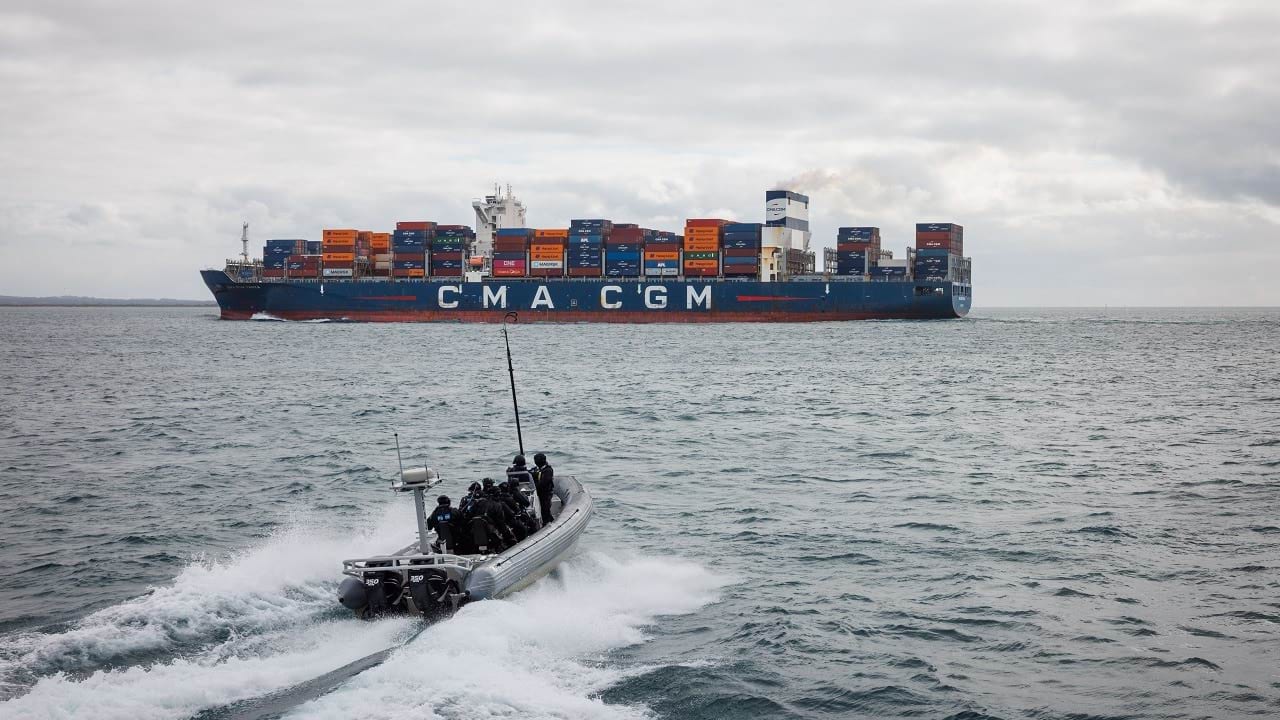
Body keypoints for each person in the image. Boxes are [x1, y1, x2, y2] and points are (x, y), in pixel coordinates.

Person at [533, 452, 554, 525]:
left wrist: (535, 486)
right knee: (542, 509)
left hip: (546, 493)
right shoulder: (538, 469)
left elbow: (544, 483)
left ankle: (548, 522)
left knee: (545, 509)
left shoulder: (548, 470)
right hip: (539, 492)